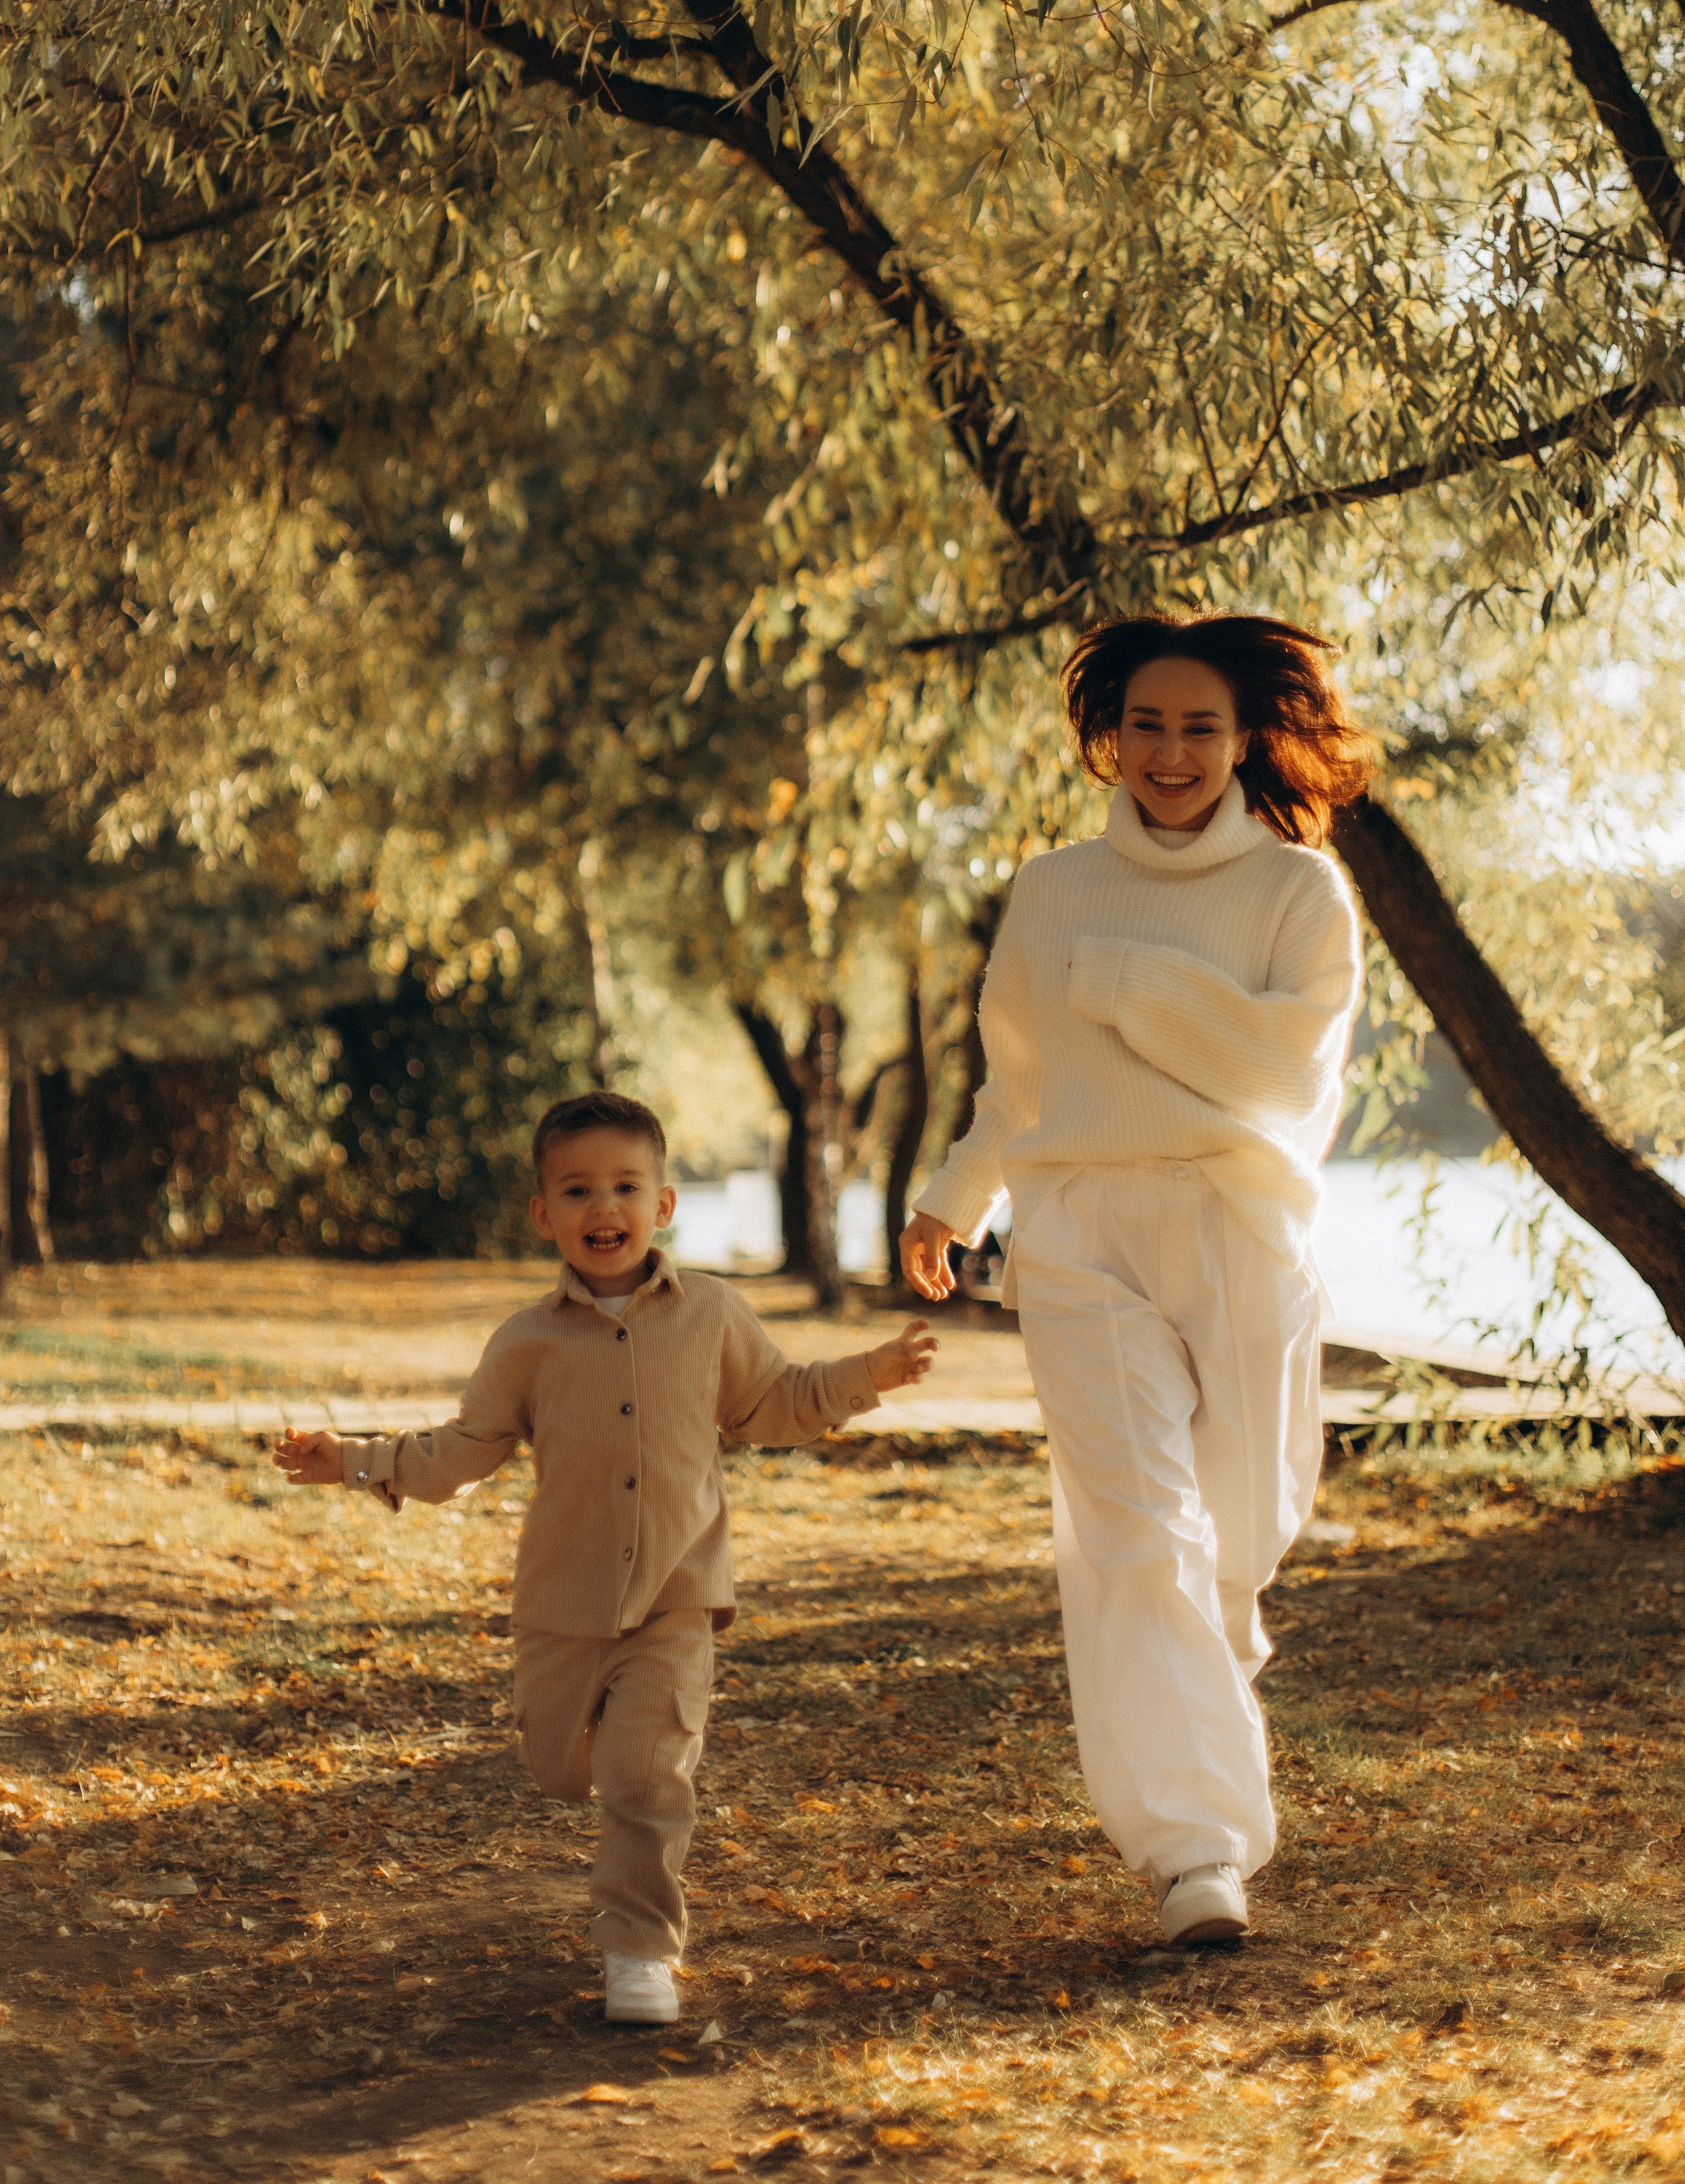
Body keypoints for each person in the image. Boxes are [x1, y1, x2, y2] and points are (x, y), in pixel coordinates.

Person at [900, 615, 1371, 1950]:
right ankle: (1197, 1854)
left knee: (1239, 1540)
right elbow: (1022, 1079)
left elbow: (1286, 1079)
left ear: (1246, 739)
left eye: (1200, 729)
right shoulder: (1052, 889)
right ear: (1114, 734)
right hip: (1083, 1234)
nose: (1171, 754)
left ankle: (1207, 1668)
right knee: (1137, 1535)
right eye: (1148, 727)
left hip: (1241, 1225)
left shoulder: (1299, 894)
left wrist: (1129, 982)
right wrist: (956, 1195)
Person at [277, 1088, 935, 2026]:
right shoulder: (527, 1343)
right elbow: (458, 1452)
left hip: (676, 1598)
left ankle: (639, 1953)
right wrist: (351, 1461)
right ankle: (591, 1757)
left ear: (663, 1205)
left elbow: (773, 1403)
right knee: (560, 1768)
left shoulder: (710, 1315)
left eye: (626, 1187)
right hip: (561, 1602)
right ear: (545, 1215)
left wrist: (863, 1376)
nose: (604, 1209)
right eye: (578, 1191)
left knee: (645, 1775)